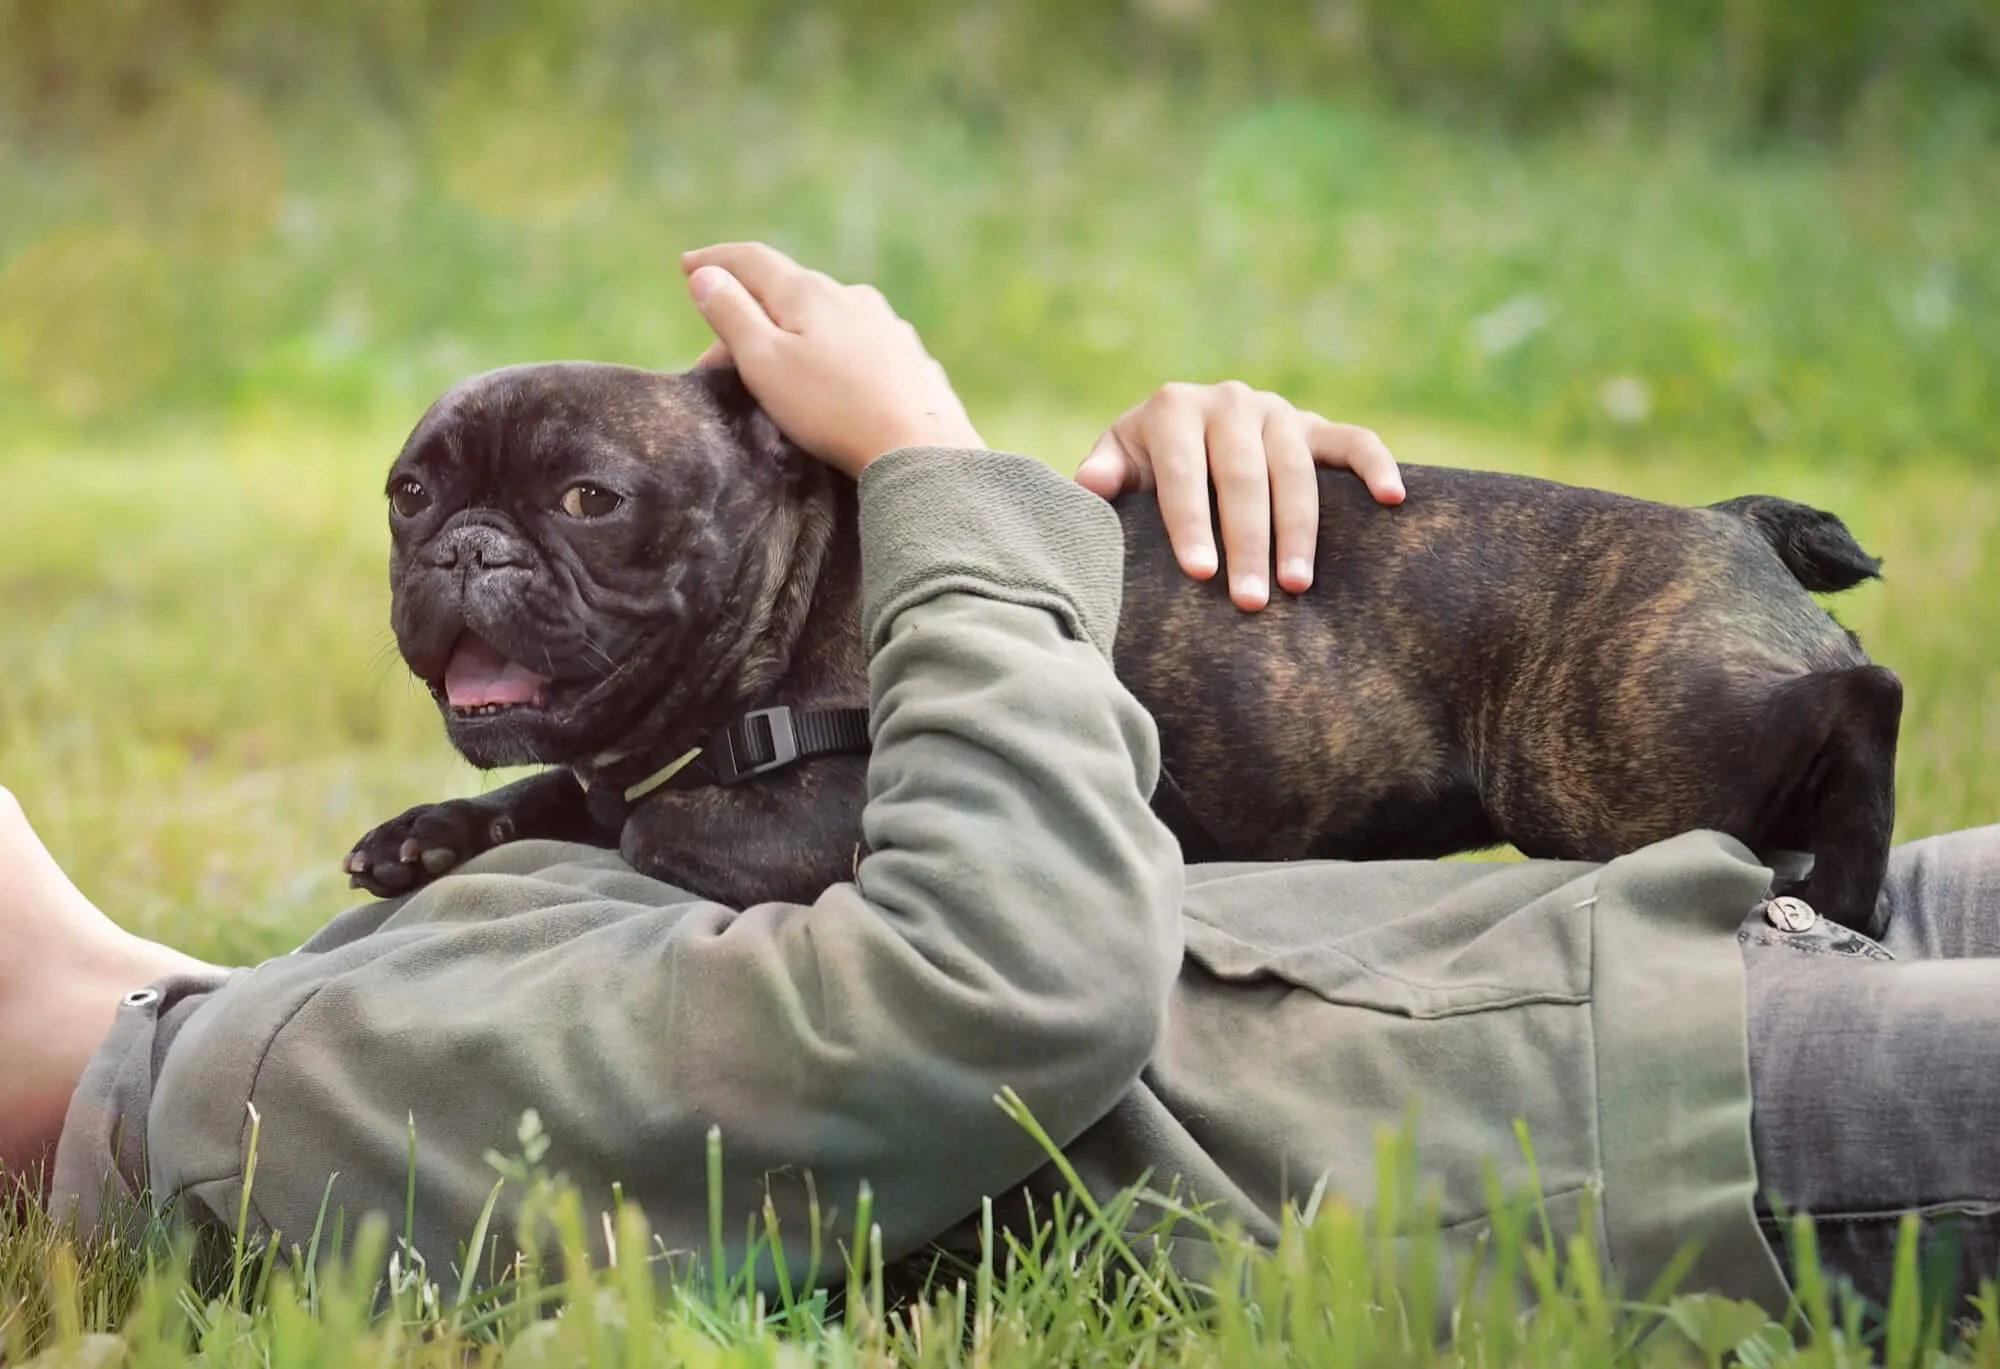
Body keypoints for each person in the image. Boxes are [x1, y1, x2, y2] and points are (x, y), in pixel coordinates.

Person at [4, 242, 1997, 1321]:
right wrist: (940, 476)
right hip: (1614, 1082)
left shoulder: (315, 1007)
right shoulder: (268, 1109)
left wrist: (1177, 546)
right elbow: (1000, 979)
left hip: (1615, 916)